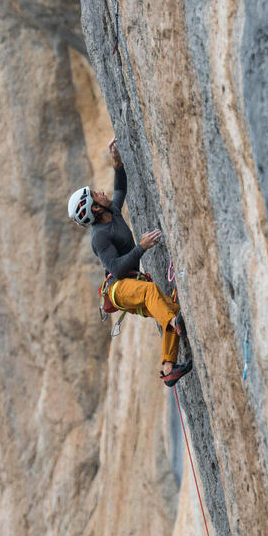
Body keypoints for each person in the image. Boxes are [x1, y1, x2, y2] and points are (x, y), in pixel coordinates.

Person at [68, 138, 192, 387]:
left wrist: (117, 164)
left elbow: (120, 190)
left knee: (168, 307)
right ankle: (171, 321)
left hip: (130, 282)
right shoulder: (99, 238)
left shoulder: (111, 211)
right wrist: (141, 247)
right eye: (94, 195)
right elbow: (115, 268)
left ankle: (168, 368)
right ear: (93, 208)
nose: (99, 192)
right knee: (151, 295)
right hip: (117, 288)